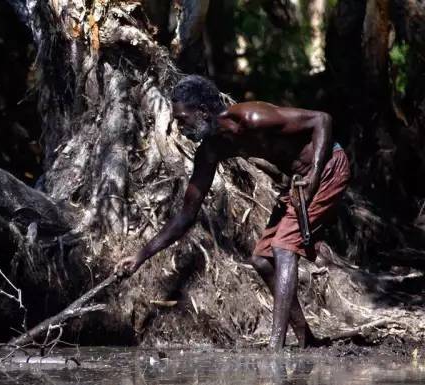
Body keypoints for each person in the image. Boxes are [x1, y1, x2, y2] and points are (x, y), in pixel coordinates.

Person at [117, 75, 350, 350]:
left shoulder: (251, 117)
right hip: (298, 183)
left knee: (284, 248)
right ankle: (305, 337)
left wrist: (313, 175)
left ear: (203, 112)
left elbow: (321, 120)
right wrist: (140, 256)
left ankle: (275, 347)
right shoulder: (211, 151)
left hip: (328, 169)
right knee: (262, 259)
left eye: (183, 120)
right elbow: (186, 215)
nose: (180, 129)